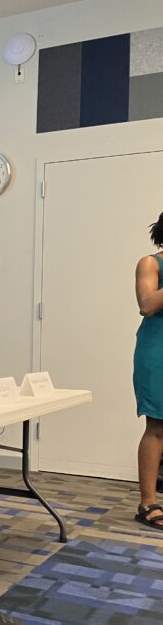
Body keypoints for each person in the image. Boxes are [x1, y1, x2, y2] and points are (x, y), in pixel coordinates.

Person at [133, 211, 163, 531]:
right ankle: (147, 503)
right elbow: (147, 303)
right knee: (157, 425)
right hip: (158, 350)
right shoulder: (150, 263)